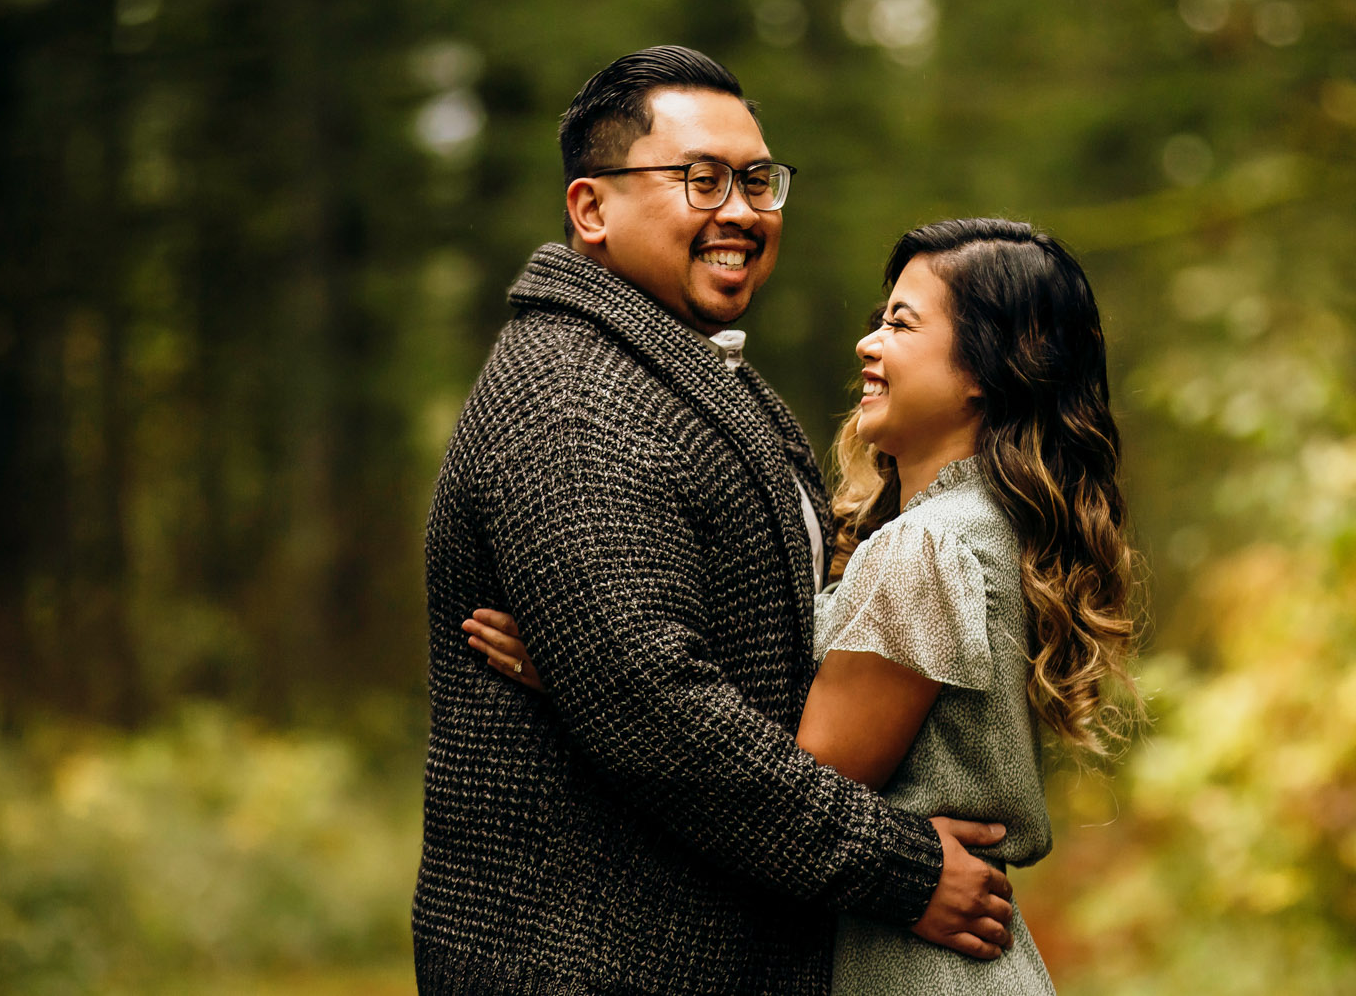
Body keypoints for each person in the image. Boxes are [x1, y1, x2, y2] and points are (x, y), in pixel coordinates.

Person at [413, 46, 1016, 996]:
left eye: (757, 180)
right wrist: (900, 868)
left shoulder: (675, 375)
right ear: (591, 208)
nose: (741, 209)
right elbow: (662, 718)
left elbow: (698, 673)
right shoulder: (577, 400)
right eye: (700, 179)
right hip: (588, 961)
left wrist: (583, 673)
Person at [469, 217, 1139, 993]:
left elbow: (796, 785)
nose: (868, 343)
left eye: (900, 322)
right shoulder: (988, 525)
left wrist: (601, 670)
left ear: (982, 369)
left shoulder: (924, 549)